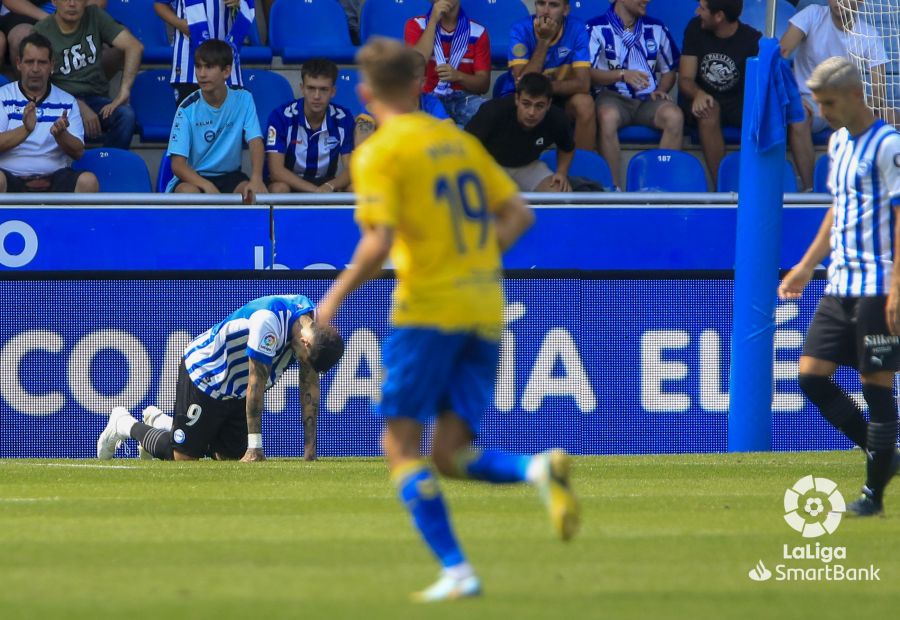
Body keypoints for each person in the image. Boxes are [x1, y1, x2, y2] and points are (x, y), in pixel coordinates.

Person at [316, 38, 578, 602]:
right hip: (484, 306)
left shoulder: (379, 153)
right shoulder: (455, 142)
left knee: (401, 446)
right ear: (419, 86)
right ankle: (537, 471)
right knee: (450, 455)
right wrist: (476, 258)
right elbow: (520, 213)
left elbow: (377, 241)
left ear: (363, 94)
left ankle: (458, 571)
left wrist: (330, 302)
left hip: (428, 308)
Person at [778, 57, 900, 517]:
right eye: (818, 103)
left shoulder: (888, 145)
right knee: (811, 376)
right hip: (840, 281)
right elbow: (838, 210)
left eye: (828, 103)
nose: (822, 111)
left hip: (878, 282)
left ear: (854, 95)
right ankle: (884, 455)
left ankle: (873, 497)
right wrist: (808, 265)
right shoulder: (838, 144)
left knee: (876, 387)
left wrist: (897, 285)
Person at [97, 294, 344, 462]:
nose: (301, 363)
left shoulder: (314, 328)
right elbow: (255, 385)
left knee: (225, 460)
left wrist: (310, 452)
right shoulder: (269, 323)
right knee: (183, 457)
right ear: (305, 342)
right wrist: (255, 447)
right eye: (303, 359)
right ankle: (123, 424)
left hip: (234, 391)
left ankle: (162, 421)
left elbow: (309, 387)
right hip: (206, 375)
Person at [780, 0, 887, 190]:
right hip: (810, 102)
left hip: (846, 106)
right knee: (798, 115)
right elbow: (782, 52)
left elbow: (880, 90)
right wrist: (793, 96)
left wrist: (861, 111)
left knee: (892, 114)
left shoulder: (869, 33)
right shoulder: (812, 15)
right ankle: (809, 189)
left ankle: (884, 186)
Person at [587, 0, 683, 190]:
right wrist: (622, 74)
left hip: (648, 100)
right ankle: (613, 189)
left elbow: (669, 70)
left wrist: (661, 90)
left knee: (675, 116)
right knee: (607, 117)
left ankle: (659, 188)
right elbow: (587, 73)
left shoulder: (656, 27)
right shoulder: (596, 27)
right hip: (612, 96)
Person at [165, 39, 267, 199]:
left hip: (231, 176)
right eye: (198, 66)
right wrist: (207, 185)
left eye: (209, 67)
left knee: (251, 194)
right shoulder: (186, 109)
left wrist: (256, 178)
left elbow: (255, 142)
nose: (202, 74)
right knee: (189, 193)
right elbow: (177, 165)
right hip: (195, 178)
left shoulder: (244, 99)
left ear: (226, 71)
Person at [34, 0, 141, 150]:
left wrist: (124, 91)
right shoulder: (41, 31)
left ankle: (108, 165)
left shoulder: (94, 15)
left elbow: (134, 46)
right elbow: (36, 84)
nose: (72, 4)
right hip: (59, 104)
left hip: (96, 98)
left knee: (126, 116)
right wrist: (77, 105)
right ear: (54, 1)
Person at [0, 32, 97, 192]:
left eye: (42, 62)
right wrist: (26, 129)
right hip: (11, 176)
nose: (36, 69)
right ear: (19, 63)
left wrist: (61, 135)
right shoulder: (2, 96)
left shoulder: (67, 101)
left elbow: (79, 152)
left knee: (88, 181)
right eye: (30, 62)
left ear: (52, 65)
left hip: (54, 177)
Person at [678, 0, 761, 187]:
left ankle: (757, 186)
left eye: (702, 8)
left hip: (737, 104)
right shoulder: (695, 28)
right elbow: (684, 79)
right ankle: (723, 187)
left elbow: (759, 88)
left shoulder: (752, 40)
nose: (697, 11)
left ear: (719, 16)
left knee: (764, 115)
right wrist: (698, 94)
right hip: (701, 101)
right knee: (709, 109)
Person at [502, 0, 595, 150]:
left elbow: (583, 84)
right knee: (527, 101)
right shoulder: (520, 29)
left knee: (585, 103)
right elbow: (523, 84)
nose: (545, 11)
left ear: (565, 10)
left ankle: (581, 167)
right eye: (540, 3)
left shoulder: (577, 29)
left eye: (553, 5)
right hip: (522, 100)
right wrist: (544, 40)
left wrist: (545, 87)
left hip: (560, 99)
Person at [466, 72, 575, 193]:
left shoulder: (557, 118)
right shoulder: (493, 111)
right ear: (517, 99)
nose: (532, 112)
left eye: (539, 106)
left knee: (561, 193)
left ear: (549, 104)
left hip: (528, 166)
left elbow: (567, 148)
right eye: (526, 104)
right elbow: (465, 145)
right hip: (489, 166)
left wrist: (561, 173)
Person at [266, 58, 355, 194]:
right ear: (302, 89)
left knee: (355, 188)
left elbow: (352, 169)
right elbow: (276, 171)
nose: (317, 96)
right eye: (311, 88)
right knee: (279, 188)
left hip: (327, 183)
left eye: (324, 89)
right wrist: (316, 191)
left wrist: (330, 186)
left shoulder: (344, 118)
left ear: (333, 91)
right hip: (291, 182)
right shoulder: (281, 117)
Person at [404, 0, 490, 126]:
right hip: (427, 97)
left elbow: (483, 85)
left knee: (490, 114)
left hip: (464, 99)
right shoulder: (416, 25)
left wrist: (458, 76)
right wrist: (433, 21)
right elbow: (414, 66)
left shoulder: (478, 32)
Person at [154, 0, 255, 106]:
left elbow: (248, 7)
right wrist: (181, 24)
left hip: (227, 67)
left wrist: (239, 2)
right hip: (188, 65)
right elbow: (159, 4)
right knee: (191, 121)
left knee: (229, 121)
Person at [354, 50, 450, 147]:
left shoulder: (432, 104)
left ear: (423, 82)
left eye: (413, 77)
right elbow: (362, 141)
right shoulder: (379, 102)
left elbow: (450, 136)